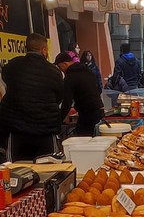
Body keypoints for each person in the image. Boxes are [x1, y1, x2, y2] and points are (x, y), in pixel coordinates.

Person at [0, 33, 63, 162]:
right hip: (46, 130)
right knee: (50, 170)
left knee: (16, 171)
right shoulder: (54, 71)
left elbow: (6, 80)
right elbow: (59, 97)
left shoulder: (12, 66)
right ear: (44, 50)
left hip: (17, 130)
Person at [54, 52, 104, 136]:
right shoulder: (88, 71)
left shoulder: (70, 77)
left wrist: (59, 121)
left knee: (84, 138)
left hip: (86, 114)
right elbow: (98, 88)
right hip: (99, 109)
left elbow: (67, 102)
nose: (60, 69)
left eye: (60, 67)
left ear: (65, 64)